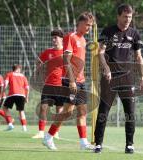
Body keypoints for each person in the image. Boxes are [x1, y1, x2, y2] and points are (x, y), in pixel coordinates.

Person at [93, 4, 143, 154]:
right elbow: (100, 52)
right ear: (118, 16)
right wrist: (106, 68)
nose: (127, 19)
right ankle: (98, 144)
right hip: (110, 78)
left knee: (130, 112)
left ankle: (130, 144)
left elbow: (138, 56)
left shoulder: (134, 34)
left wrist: (142, 76)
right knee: (103, 110)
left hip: (127, 78)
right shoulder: (108, 32)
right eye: (125, 16)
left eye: (130, 17)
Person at [42, 11, 95, 150]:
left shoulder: (83, 40)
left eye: (91, 25)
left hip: (81, 81)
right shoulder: (70, 37)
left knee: (82, 111)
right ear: (80, 23)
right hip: (71, 80)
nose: (89, 28)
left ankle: (83, 143)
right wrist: (71, 81)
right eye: (88, 25)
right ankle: (48, 137)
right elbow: (66, 60)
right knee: (68, 112)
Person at [32, 29, 65, 139]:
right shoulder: (48, 52)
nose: (53, 39)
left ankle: (55, 132)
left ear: (61, 39)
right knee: (43, 108)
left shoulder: (66, 52)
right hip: (48, 85)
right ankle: (41, 132)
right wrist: (40, 73)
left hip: (61, 86)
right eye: (53, 37)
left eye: (55, 37)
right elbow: (38, 61)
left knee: (59, 110)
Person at [2, 64, 29, 131]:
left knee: (5, 108)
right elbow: (27, 88)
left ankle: (10, 124)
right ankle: (24, 127)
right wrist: (27, 97)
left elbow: (5, 84)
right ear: (18, 69)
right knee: (21, 111)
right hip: (22, 95)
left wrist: (3, 92)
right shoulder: (23, 76)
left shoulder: (10, 74)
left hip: (12, 94)